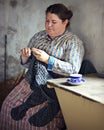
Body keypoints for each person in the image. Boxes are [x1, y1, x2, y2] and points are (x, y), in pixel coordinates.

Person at [0, 3, 85, 129]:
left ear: (65, 22)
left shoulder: (72, 41)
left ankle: (46, 101)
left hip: (54, 85)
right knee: (7, 106)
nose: (49, 25)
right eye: (47, 21)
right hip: (30, 82)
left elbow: (73, 69)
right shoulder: (38, 36)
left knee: (36, 123)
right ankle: (38, 99)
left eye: (54, 22)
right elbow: (28, 65)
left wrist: (48, 60)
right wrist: (25, 57)